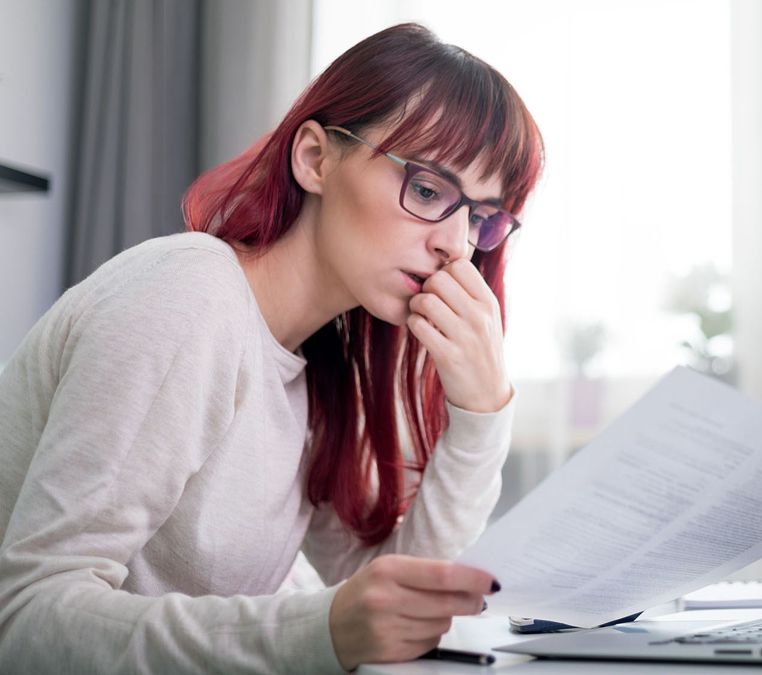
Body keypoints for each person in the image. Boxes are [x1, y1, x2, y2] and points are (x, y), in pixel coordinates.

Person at [0, 23, 543, 673]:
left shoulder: (316, 369)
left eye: (481, 217)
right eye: (427, 190)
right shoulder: (189, 295)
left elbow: (395, 589)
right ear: (315, 158)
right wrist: (315, 627)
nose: (456, 246)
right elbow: (26, 618)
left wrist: (481, 411)